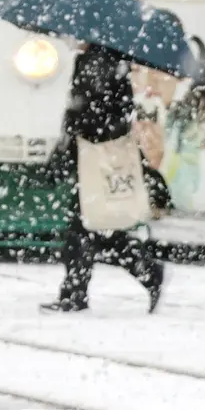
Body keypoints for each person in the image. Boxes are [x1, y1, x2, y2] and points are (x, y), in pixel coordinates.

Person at [43, 44, 164, 314]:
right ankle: (141, 271)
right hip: (96, 154)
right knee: (96, 227)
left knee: (87, 227)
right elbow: (117, 111)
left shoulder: (94, 61)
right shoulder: (116, 62)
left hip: (93, 157)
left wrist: (72, 127)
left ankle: (79, 292)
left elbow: (87, 110)